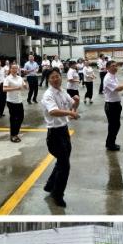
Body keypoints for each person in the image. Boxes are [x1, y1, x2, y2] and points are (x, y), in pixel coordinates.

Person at [41, 67, 80, 207]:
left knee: (62, 161)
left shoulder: (62, 91)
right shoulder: (48, 95)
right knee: (65, 166)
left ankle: (50, 185)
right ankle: (57, 195)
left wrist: (76, 101)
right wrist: (70, 113)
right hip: (54, 134)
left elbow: (73, 106)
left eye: (57, 76)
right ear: (48, 80)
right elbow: (53, 111)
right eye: (52, 77)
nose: (56, 79)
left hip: (64, 130)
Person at [103, 60, 123, 151]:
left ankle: (110, 143)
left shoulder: (113, 76)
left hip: (115, 104)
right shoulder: (108, 78)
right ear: (107, 68)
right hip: (111, 105)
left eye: (116, 66)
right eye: (113, 66)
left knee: (116, 125)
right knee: (113, 126)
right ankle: (110, 144)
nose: (115, 67)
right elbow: (118, 88)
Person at [3, 63, 27, 143]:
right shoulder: (8, 78)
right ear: (10, 69)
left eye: (16, 68)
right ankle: (13, 135)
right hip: (11, 101)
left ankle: (16, 132)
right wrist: (16, 88)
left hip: (19, 100)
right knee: (13, 119)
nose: (14, 70)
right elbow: (4, 89)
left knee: (21, 117)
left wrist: (25, 86)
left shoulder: (20, 77)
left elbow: (24, 85)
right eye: (13, 68)